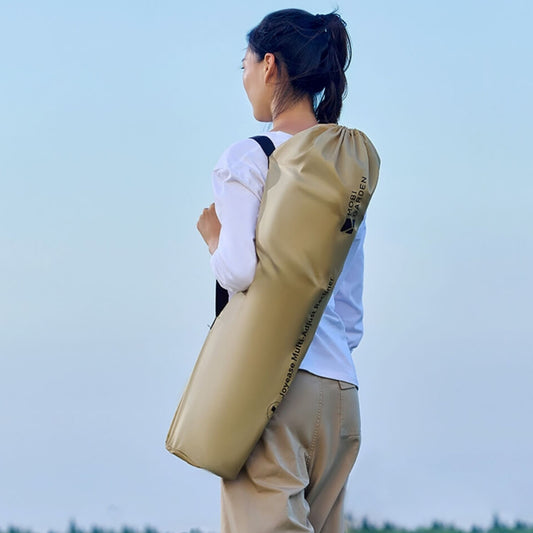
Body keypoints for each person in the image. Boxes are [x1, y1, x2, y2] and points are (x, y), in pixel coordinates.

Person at [196, 8, 374, 533]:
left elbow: (237, 270)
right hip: (340, 396)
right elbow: (350, 317)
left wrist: (213, 238)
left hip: (271, 388)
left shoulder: (247, 159)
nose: (245, 77)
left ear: (269, 65)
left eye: (245, 65)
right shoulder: (345, 173)